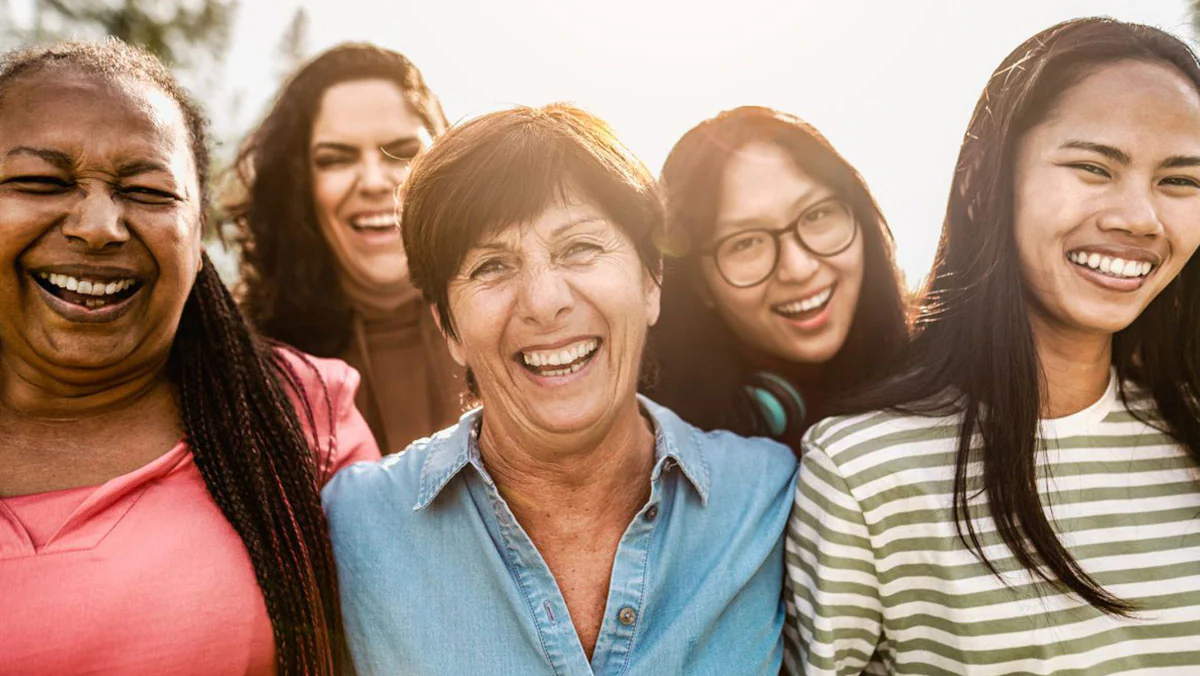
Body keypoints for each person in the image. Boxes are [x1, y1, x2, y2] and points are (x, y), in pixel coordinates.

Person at [323, 104, 799, 674]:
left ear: (652, 283)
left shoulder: (768, 496)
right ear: (447, 326)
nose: (545, 301)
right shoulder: (354, 524)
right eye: (491, 266)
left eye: (580, 248)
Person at [787, 17, 1200, 674]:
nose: (1139, 218)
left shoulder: (1187, 434)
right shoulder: (864, 471)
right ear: (983, 180)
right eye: (1094, 167)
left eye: (1179, 181)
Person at [0, 40, 379, 674]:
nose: (98, 226)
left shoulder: (302, 418)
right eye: (41, 182)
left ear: (199, 234)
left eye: (148, 191)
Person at [229, 43, 463, 453]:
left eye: (403, 152)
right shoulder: (249, 365)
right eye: (336, 159)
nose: (374, 181)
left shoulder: (518, 327)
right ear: (298, 186)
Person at [645, 107, 907, 451]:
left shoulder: (943, 393)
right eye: (746, 243)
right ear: (698, 284)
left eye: (816, 214)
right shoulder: (658, 446)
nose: (798, 268)